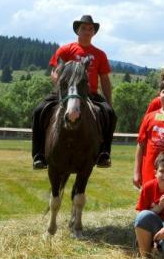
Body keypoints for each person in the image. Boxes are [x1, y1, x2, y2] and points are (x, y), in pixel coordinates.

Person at [31, 15, 116, 169]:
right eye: (83, 28)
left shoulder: (100, 54)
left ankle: (104, 154)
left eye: (90, 28)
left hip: (89, 93)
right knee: (38, 111)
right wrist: (61, 90)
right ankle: (39, 155)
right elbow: (55, 72)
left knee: (110, 114)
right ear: (77, 30)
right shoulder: (65, 49)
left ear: (94, 32)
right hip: (65, 93)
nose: (87, 31)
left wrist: (109, 102)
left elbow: (104, 79)